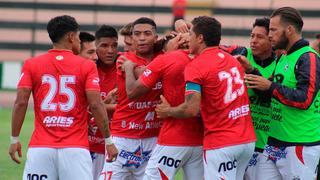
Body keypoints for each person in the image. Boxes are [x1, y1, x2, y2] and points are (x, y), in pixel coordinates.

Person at [8, 15, 118, 180]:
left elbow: (21, 102)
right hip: (75, 149)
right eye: (78, 37)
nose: (79, 42)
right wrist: (108, 141)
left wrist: (14, 139)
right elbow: (95, 105)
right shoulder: (87, 66)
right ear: (71, 37)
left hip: (41, 147)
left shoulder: (32, 64)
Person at [156, 16, 256, 180]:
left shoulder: (196, 66)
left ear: (200, 38)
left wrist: (168, 111)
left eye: (191, 34)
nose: (189, 38)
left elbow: (191, 108)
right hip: (246, 141)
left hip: (222, 143)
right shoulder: (232, 60)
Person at [243, 7, 320, 179]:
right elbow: (268, 93)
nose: (270, 34)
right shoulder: (283, 57)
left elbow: (304, 99)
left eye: (273, 30)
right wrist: (252, 71)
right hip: (274, 143)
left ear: (289, 30)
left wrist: (269, 86)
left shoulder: (308, 57)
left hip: (300, 144)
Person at [120, 34, 203, 180]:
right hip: (201, 141)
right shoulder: (206, 59)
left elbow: (132, 92)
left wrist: (128, 68)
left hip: (173, 139)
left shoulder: (165, 59)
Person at [106, 17, 162, 180]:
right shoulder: (124, 60)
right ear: (132, 38)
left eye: (147, 33)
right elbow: (142, 76)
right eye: (137, 34)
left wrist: (179, 25)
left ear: (156, 38)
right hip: (123, 137)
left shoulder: (162, 57)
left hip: (154, 139)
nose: (142, 38)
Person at [89, 25, 118, 180]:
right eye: (104, 46)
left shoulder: (125, 66)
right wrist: (106, 105)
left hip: (115, 146)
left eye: (114, 45)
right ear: (96, 46)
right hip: (89, 146)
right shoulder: (88, 67)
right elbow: (87, 106)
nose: (110, 50)